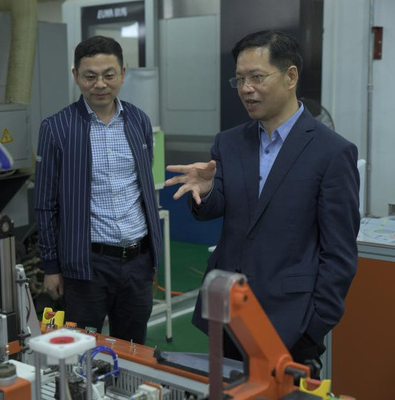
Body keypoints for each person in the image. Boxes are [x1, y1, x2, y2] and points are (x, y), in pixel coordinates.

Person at [165, 30, 360, 376]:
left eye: (256, 77)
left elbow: (339, 253)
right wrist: (207, 191)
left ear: (290, 76)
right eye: (239, 79)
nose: (246, 89)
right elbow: (216, 208)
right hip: (227, 314)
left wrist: (313, 326)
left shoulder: (331, 152)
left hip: (291, 321)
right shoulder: (228, 143)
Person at [34, 36, 162, 344]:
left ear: (123, 73)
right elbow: (45, 203)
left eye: (109, 74)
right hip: (86, 264)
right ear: (76, 75)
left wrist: (152, 258)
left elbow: (143, 187)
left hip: (138, 260)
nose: (100, 84)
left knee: (133, 349)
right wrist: (51, 266)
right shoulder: (57, 128)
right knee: (80, 350)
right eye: (90, 76)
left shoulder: (139, 121)